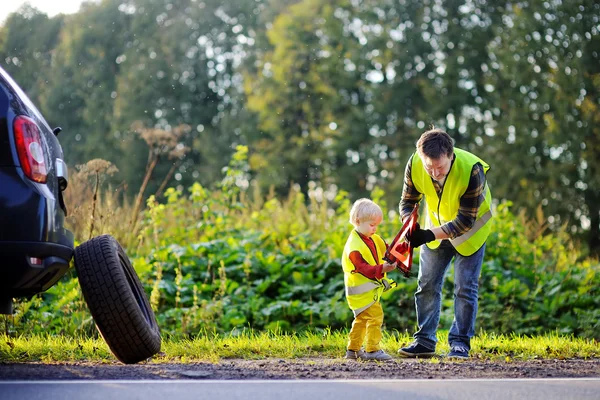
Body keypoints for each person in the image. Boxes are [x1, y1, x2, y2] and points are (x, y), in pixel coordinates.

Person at [397, 129, 493, 359]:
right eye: (429, 167)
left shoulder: (472, 170)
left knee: (464, 288)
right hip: (436, 226)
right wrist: (409, 225)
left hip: (471, 232)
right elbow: (407, 201)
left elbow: (465, 221)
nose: (434, 173)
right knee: (427, 284)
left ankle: (460, 343)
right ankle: (425, 341)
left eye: (439, 167)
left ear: (451, 155)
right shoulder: (415, 164)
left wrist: (429, 235)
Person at [341, 198, 397, 361]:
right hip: (360, 294)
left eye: (377, 225)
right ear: (358, 221)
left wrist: (399, 251)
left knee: (362, 320)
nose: (375, 229)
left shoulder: (373, 238)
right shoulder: (354, 247)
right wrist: (383, 269)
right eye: (372, 225)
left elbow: (387, 251)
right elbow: (364, 269)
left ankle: (353, 350)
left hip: (367, 292)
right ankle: (372, 350)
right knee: (375, 317)